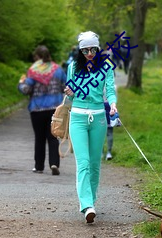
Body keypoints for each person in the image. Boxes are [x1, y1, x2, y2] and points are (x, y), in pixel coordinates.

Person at [64, 31, 118, 223]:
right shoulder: (73, 67)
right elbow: (70, 96)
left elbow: (110, 90)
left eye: (92, 49)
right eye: (85, 50)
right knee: (84, 163)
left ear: (98, 48)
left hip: (99, 118)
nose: (89, 53)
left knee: (95, 164)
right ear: (80, 50)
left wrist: (112, 104)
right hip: (77, 118)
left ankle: (91, 201)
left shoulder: (106, 68)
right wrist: (69, 92)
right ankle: (86, 205)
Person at [18, 45, 66, 175]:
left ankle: (39, 167)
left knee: (39, 138)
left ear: (37, 57)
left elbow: (26, 90)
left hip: (37, 109)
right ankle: (54, 163)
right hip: (54, 109)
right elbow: (65, 87)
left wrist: (21, 83)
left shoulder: (33, 71)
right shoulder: (58, 70)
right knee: (53, 137)